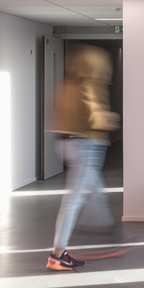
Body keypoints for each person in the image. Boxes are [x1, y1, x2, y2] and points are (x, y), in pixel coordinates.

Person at [45, 45, 122, 271]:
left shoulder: (66, 84)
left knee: (97, 192)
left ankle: (106, 235)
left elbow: (59, 117)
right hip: (86, 146)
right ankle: (58, 254)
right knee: (74, 200)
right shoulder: (89, 85)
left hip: (68, 143)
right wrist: (111, 119)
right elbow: (93, 118)